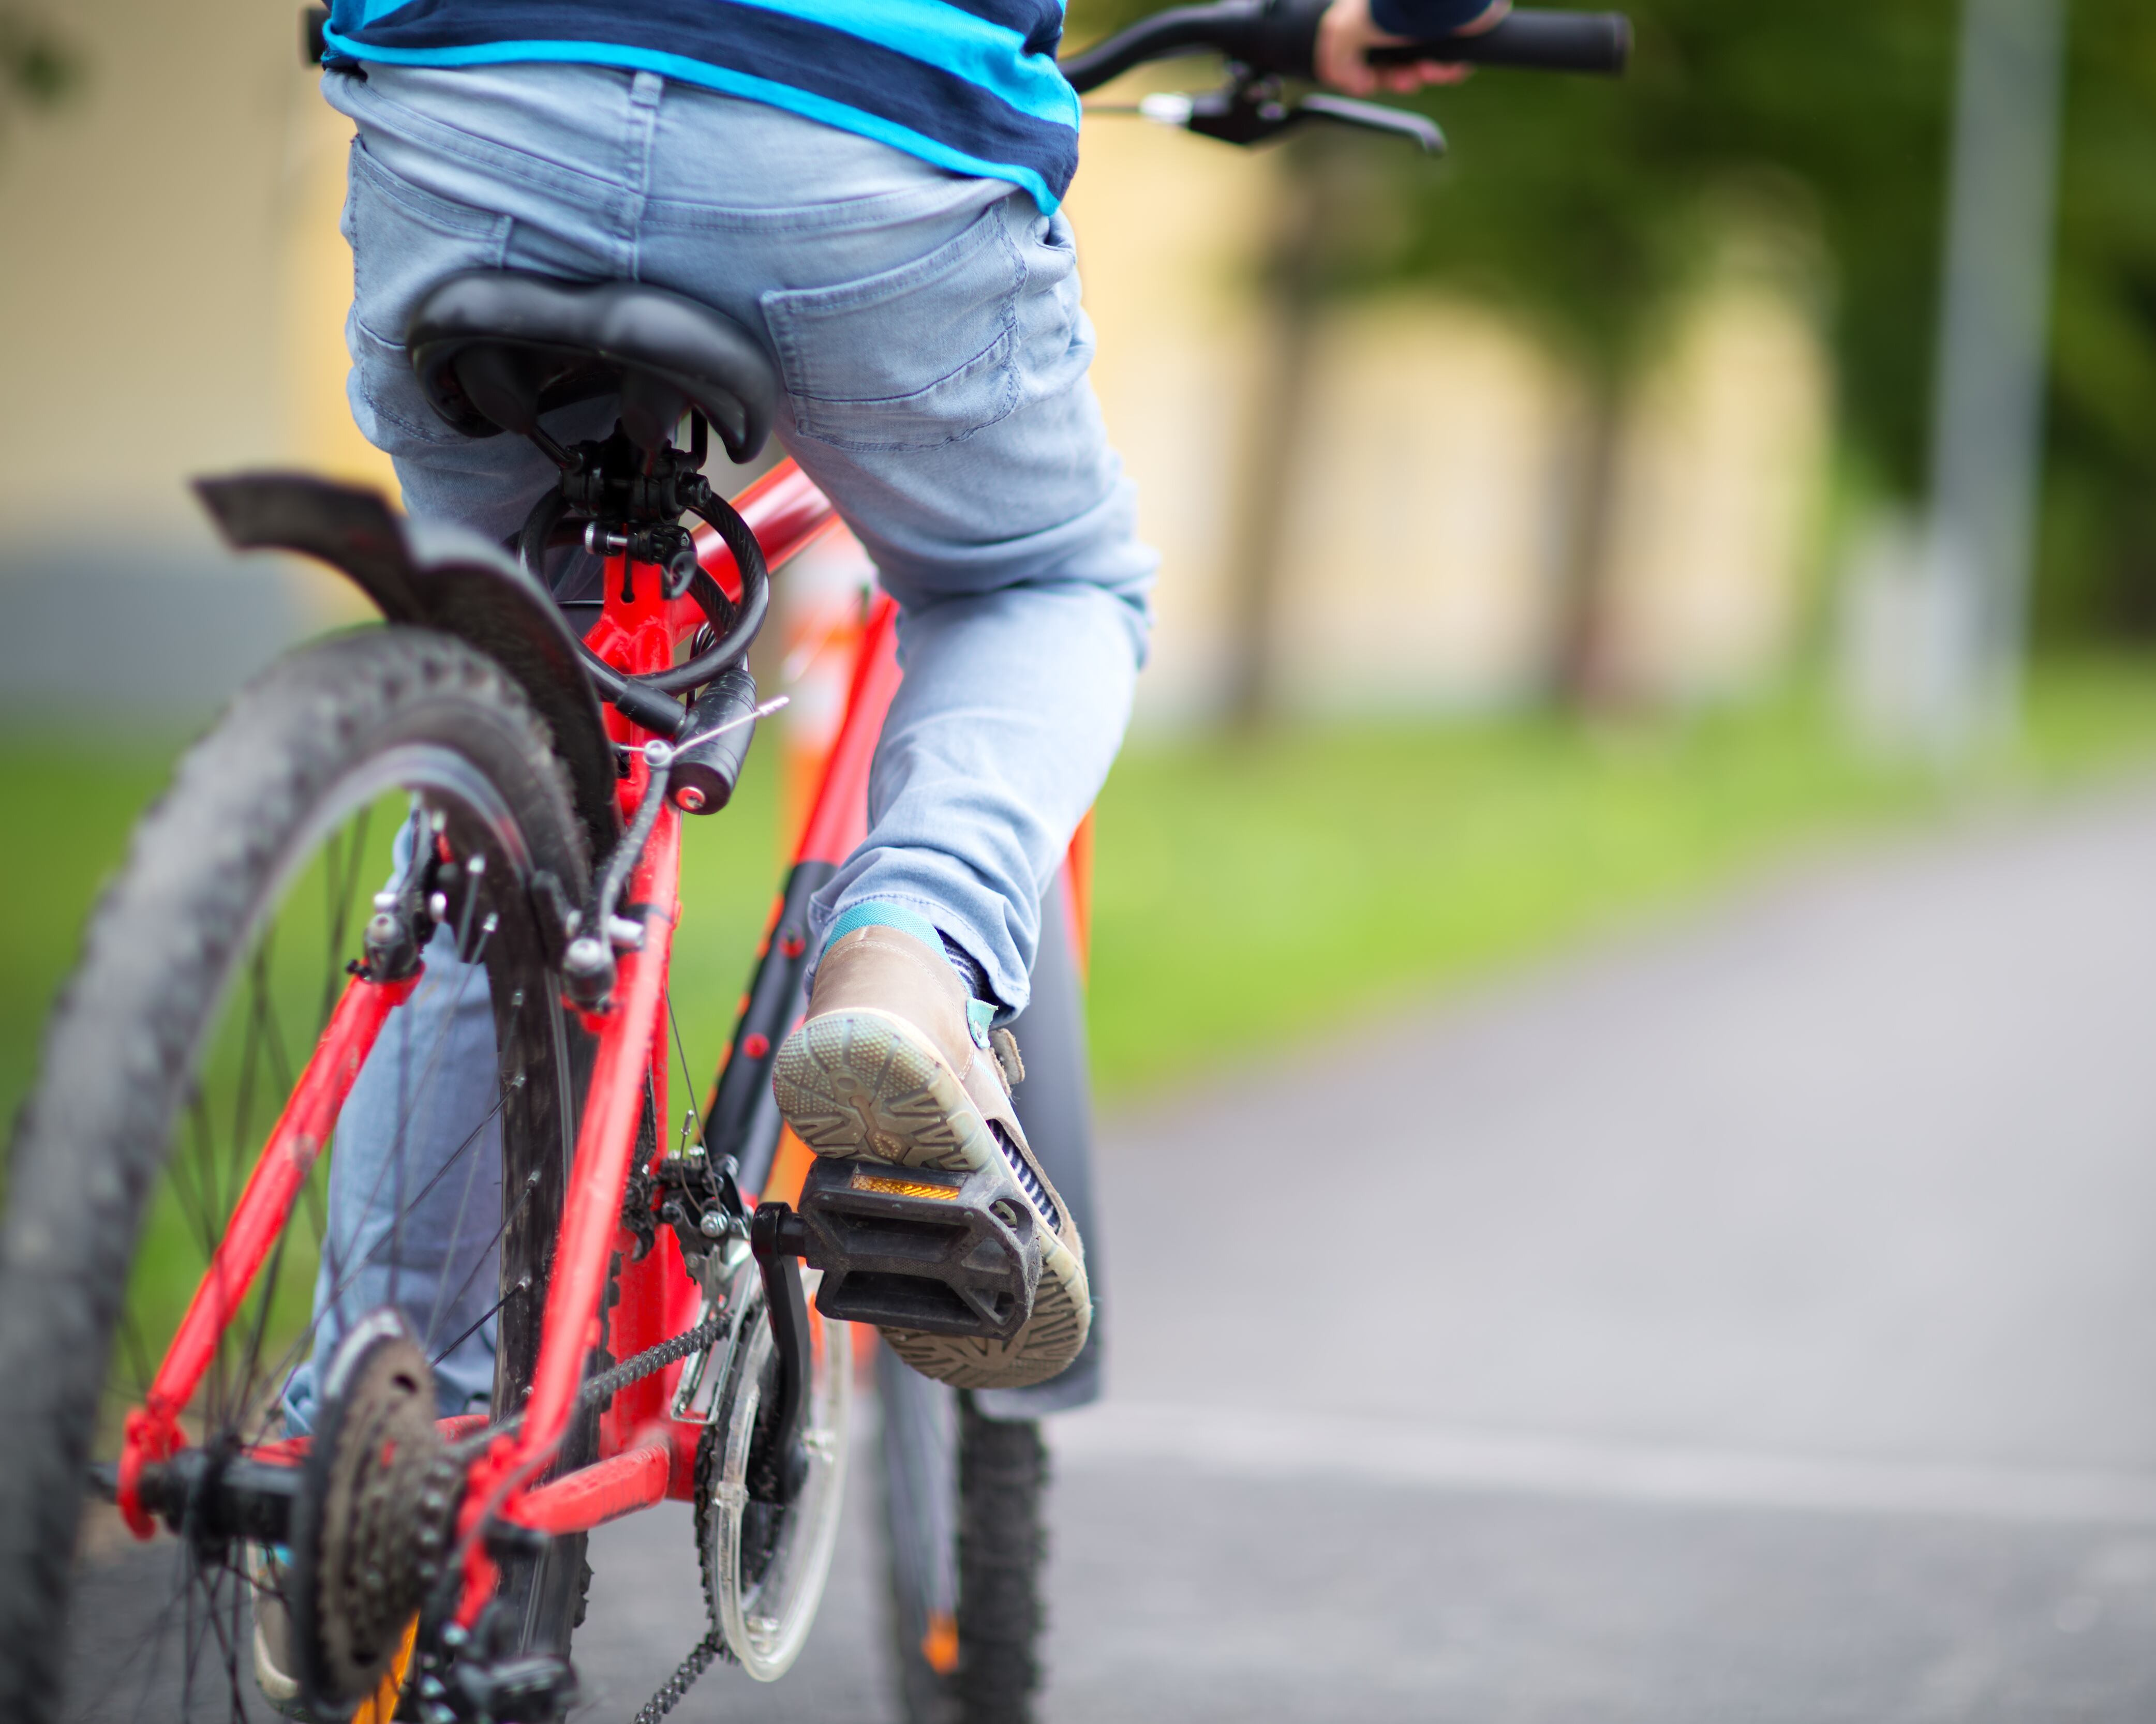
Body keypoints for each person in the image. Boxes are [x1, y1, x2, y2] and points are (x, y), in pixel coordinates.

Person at [301, 0, 1509, 1408]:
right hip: (861, 130)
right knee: (1042, 584)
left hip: (479, 109)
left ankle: (386, 1451)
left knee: (504, 754)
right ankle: (913, 951)